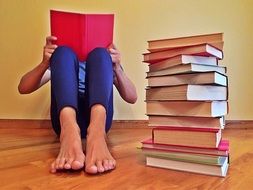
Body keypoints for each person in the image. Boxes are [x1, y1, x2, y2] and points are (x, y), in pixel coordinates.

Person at [18, 36, 137, 174]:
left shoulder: (103, 63)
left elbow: (132, 97)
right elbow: (23, 87)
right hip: (65, 120)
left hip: (98, 119)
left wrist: (117, 68)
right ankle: (69, 132)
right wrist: (45, 63)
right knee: (63, 53)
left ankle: (97, 134)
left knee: (101, 55)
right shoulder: (63, 63)